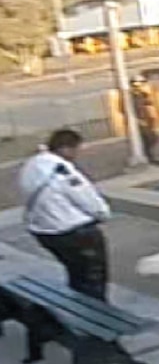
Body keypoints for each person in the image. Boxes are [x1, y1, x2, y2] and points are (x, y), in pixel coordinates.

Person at [19, 129, 112, 301]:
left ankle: (79, 308)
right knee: (93, 279)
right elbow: (86, 198)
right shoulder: (62, 170)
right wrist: (103, 214)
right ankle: (96, 318)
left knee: (76, 273)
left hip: (44, 232)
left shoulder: (31, 165)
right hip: (73, 232)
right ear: (66, 148)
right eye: (76, 149)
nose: (76, 155)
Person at [130, 74, 159, 165]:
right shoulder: (132, 97)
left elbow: (149, 106)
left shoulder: (143, 95)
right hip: (142, 121)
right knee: (147, 139)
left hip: (148, 119)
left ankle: (150, 157)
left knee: (154, 138)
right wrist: (139, 120)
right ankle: (149, 158)